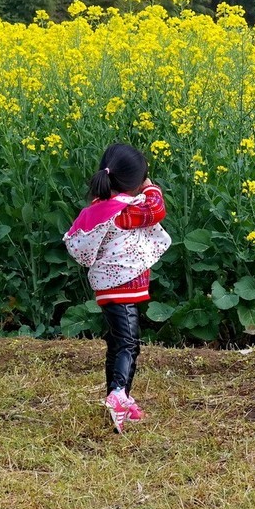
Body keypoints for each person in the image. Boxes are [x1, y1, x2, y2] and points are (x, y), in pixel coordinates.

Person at [63, 142, 172, 432]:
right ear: (133, 181)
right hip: (124, 288)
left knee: (115, 343)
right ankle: (119, 393)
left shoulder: (97, 210)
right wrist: (151, 188)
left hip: (106, 289)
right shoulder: (125, 211)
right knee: (129, 344)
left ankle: (116, 394)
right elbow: (156, 211)